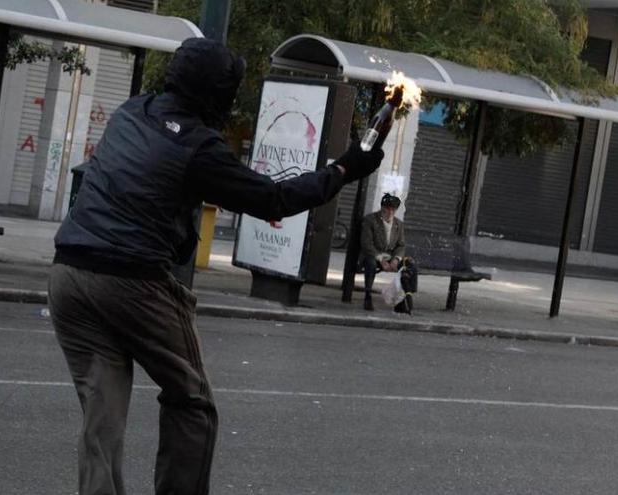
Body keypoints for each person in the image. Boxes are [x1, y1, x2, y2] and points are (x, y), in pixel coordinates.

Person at [47, 37, 384, 495]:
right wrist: (344, 168)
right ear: (215, 93)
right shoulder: (198, 146)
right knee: (191, 400)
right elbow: (275, 199)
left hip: (67, 275)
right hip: (132, 281)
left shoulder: (131, 112)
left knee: (101, 415)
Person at [361, 193, 407, 311]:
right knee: (370, 264)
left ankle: (404, 300)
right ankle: (367, 296)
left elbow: (401, 245)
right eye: (387, 208)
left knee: (408, 267)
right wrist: (380, 259)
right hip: (373, 255)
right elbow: (367, 244)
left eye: (393, 209)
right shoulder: (370, 220)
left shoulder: (398, 224)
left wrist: (396, 259)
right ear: (382, 208)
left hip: (390, 256)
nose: (390, 212)